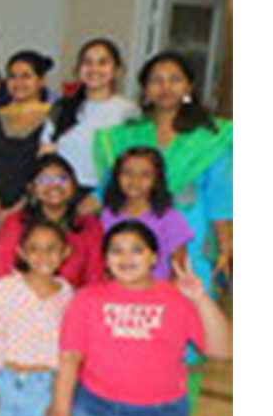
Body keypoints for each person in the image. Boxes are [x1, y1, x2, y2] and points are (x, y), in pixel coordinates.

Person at [39, 221, 232, 416]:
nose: (126, 259)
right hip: (95, 404)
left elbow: (223, 351)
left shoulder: (176, 298)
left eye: (137, 251)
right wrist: (61, 411)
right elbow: (70, 357)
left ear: (154, 256)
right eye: (116, 251)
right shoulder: (87, 299)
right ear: (105, 259)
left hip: (156, 412)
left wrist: (200, 299)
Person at [94, 50, 232, 295]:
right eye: (156, 80)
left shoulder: (212, 136)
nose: (165, 87)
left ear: (189, 86)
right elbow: (108, 187)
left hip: (192, 231)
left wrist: (226, 243)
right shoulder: (124, 135)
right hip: (134, 231)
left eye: (175, 79)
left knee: (190, 304)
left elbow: (220, 195)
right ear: (145, 89)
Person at [0, 220, 76, 416]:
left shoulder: (67, 294)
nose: (43, 256)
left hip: (41, 383)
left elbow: (68, 349)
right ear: (21, 252)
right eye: (35, 249)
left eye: (52, 249)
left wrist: (58, 397)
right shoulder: (7, 287)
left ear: (65, 253)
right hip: (5, 377)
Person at [41, 38, 138, 191]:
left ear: (117, 70)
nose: (94, 69)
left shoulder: (129, 111)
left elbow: (133, 160)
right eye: (87, 62)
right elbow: (45, 151)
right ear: (78, 69)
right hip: (60, 194)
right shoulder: (62, 107)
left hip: (105, 195)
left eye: (102, 62)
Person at [0, 154, 104, 287]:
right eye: (44, 180)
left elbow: (95, 278)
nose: (54, 185)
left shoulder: (89, 225)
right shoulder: (16, 224)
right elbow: (3, 275)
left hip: (77, 303)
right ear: (31, 188)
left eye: (62, 178)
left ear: (74, 185)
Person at [0, 49, 55, 224]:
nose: (18, 83)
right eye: (12, 76)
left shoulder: (54, 117)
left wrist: (18, 209)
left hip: (35, 209)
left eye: (26, 76)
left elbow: (48, 168)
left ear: (41, 80)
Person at [100, 147, 194, 280]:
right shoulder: (108, 214)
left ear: (157, 180)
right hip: (117, 292)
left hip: (156, 293)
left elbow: (179, 264)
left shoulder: (169, 218)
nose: (135, 180)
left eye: (145, 175)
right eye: (128, 173)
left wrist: (169, 296)